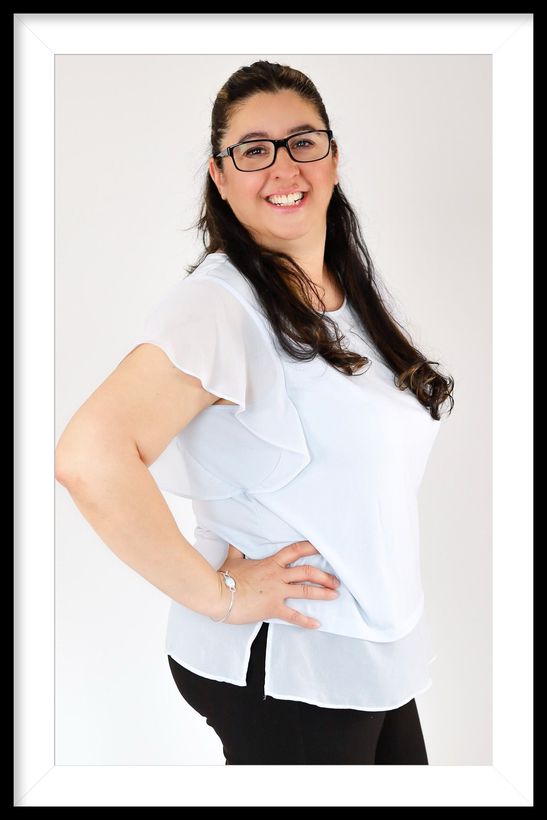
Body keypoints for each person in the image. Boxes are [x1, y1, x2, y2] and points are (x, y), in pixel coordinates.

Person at [55, 60, 454, 765]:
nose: (283, 167)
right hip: (290, 660)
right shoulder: (218, 306)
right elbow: (89, 457)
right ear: (220, 175)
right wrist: (221, 596)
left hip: (363, 651)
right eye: (253, 150)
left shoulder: (341, 290)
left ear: (333, 157)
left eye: (302, 141)